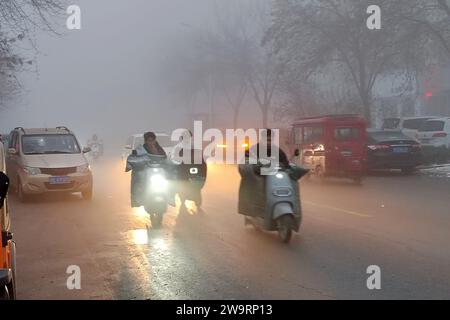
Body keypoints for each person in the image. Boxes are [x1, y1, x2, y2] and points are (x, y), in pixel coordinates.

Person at [126, 132, 168, 208]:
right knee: (137, 177)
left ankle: (170, 196)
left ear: (155, 140)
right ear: (145, 141)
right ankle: (138, 198)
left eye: (152, 140)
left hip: (158, 170)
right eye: (149, 140)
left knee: (172, 177)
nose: (151, 142)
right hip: (146, 170)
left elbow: (165, 158)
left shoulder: (159, 148)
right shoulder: (140, 149)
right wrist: (133, 161)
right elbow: (133, 157)